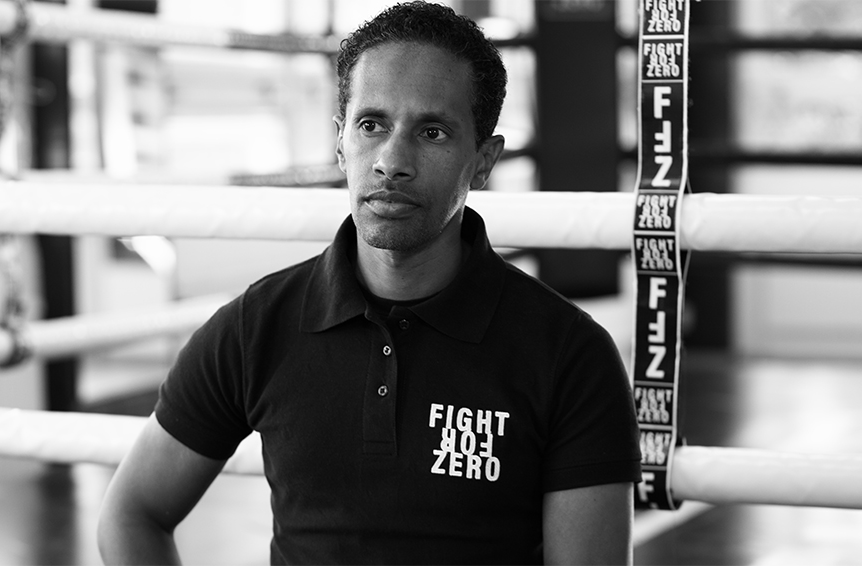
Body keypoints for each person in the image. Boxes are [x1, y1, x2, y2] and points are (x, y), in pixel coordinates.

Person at [98, 2, 641, 564]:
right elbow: (132, 512)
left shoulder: (568, 354)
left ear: (482, 161)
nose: (391, 161)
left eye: (431, 132)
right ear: (340, 143)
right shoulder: (258, 325)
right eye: (371, 125)